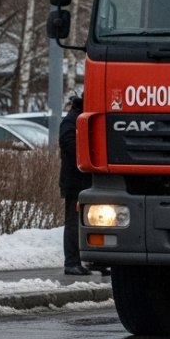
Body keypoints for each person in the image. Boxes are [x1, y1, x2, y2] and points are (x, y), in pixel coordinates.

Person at [59, 97, 95, 276]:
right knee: (74, 223)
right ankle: (72, 262)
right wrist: (89, 152)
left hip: (82, 180)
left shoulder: (80, 117)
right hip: (75, 181)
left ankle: (92, 260)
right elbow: (68, 143)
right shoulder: (73, 119)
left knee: (90, 222)